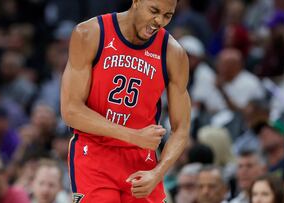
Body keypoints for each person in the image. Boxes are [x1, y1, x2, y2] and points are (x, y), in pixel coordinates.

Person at [60, 0, 190, 202]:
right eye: (154, 11)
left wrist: (158, 172)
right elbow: (71, 111)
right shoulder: (90, 33)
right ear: (136, 1)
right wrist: (133, 136)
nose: (159, 21)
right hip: (94, 152)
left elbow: (181, 128)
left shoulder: (173, 53)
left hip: (141, 159)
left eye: (167, 15)